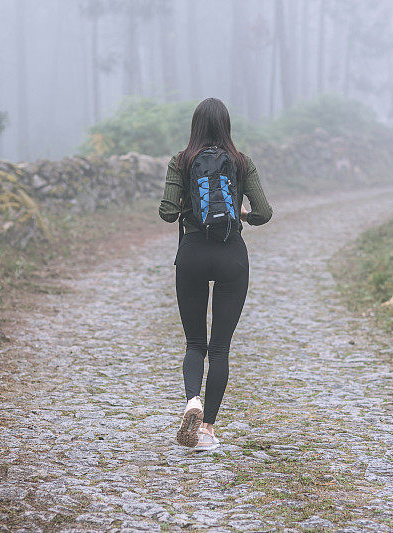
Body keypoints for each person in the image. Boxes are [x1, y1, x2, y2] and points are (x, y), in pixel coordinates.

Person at [159, 98, 273, 451]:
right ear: (227, 126)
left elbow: (165, 213)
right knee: (219, 348)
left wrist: (183, 205)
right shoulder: (241, 162)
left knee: (195, 343)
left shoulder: (181, 160)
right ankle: (207, 428)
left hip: (192, 253)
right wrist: (242, 216)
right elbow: (265, 212)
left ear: (195, 125)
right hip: (231, 257)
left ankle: (192, 399)